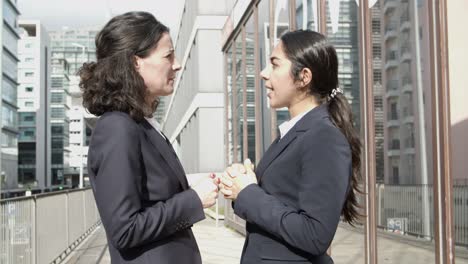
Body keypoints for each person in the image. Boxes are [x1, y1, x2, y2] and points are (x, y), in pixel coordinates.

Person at [79, 11, 218, 264]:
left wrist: (191, 184)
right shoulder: (117, 128)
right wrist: (194, 200)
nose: (177, 64)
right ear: (135, 63)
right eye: (168, 55)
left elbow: (152, 195)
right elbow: (125, 229)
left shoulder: (139, 124)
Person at [219, 30, 362, 264]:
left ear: (303, 77)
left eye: (275, 65)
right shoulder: (296, 132)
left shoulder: (324, 137)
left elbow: (314, 235)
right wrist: (241, 186)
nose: (264, 74)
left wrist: (248, 192)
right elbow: (281, 200)